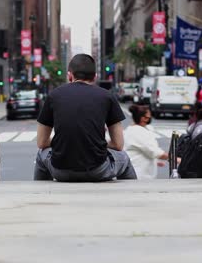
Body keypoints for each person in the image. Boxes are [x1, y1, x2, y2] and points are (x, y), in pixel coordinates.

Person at [34, 54, 136, 182]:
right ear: (95, 77)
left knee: (41, 154)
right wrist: (95, 142)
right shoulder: (107, 96)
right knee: (124, 158)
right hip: (98, 170)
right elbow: (118, 144)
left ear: (70, 75)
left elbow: (41, 142)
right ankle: (134, 196)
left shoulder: (53, 96)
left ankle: (39, 194)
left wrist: (64, 140)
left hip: (60, 171)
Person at [124, 105, 169, 179]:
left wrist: (155, 161)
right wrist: (176, 159)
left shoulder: (130, 130)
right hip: (139, 175)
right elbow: (154, 151)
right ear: (143, 118)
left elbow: (138, 152)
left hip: (135, 172)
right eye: (148, 117)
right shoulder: (139, 132)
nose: (150, 118)